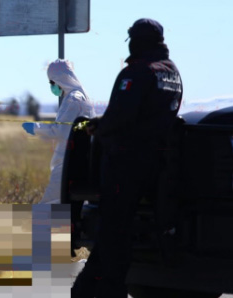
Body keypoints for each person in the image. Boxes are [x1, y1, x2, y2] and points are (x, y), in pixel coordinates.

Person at [72, 18, 183, 297]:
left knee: (114, 230)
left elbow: (121, 117)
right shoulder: (171, 72)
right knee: (120, 228)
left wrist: (98, 127)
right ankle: (87, 288)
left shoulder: (136, 73)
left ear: (136, 41)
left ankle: (108, 289)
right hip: (158, 165)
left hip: (126, 163)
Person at [22, 59, 95, 204]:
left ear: (60, 79)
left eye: (52, 82)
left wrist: (36, 128)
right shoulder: (79, 95)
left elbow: (61, 131)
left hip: (67, 163)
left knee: (47, 206)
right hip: (78, 160)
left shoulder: (73, 99)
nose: (52, 86)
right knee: (66, 206)